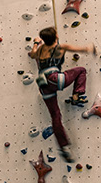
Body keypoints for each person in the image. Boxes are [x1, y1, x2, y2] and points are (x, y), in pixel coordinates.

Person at [28, 27, 96, 161]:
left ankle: (63, 147)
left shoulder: (40, 50)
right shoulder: (60, 48)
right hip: (54, 79)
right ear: (56, 36)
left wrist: (36, 43)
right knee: (81, 70)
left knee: (55, 115)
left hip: (43, 85)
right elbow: (81, 49)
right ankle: (76, 96)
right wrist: (91, 48)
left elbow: (32, 54)